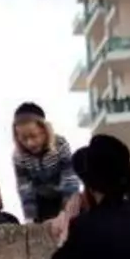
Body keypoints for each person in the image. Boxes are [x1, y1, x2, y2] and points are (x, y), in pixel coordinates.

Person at [8, 102, 82, 237]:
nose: (30, 143)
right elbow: (25, 190)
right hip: (41, 201)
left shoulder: (60, 145)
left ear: (44, 130)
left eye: (34, 136)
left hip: (63, 195)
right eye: (24, 138)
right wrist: (30, 219)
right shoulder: (19, 157)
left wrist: (65, 213)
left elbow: (70, 181)